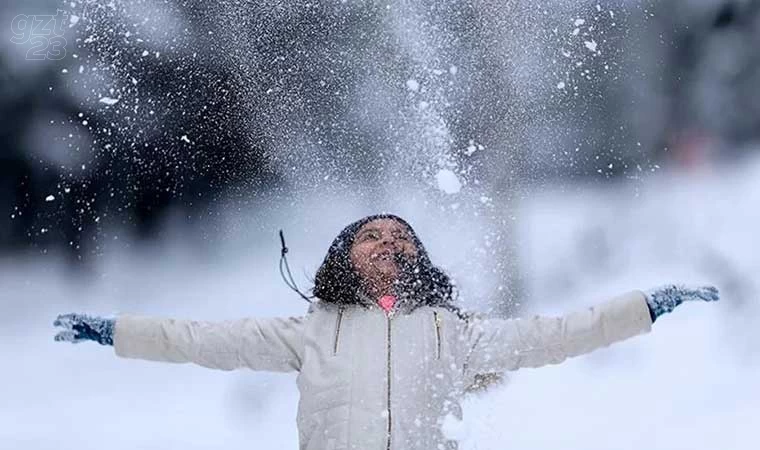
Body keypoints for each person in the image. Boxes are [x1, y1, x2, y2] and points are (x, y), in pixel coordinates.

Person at [53, 213, 719, 450]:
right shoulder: (309, 332)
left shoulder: (454, 334)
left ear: (418, 259)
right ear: (344, 256)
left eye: (401, 237)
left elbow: (557, 334)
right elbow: (198, 338)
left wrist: (645, 307)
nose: (387, 243)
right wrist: (114, 331)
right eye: (371, 235)